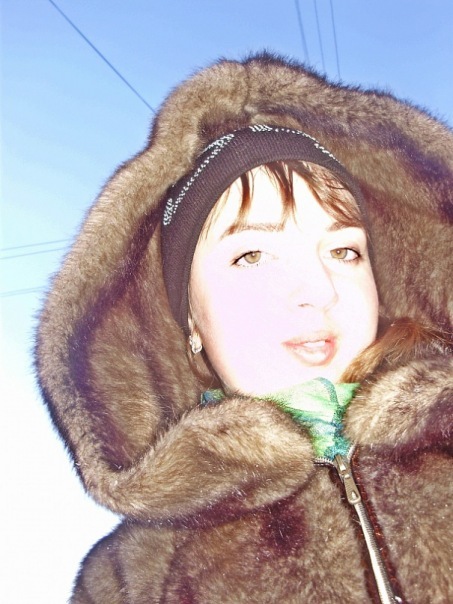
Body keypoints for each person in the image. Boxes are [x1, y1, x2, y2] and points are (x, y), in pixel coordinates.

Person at [35, 53, 452, 603]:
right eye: (252, 255)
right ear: (190, 321)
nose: (319, 289)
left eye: (345, 251)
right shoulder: (131, 581)